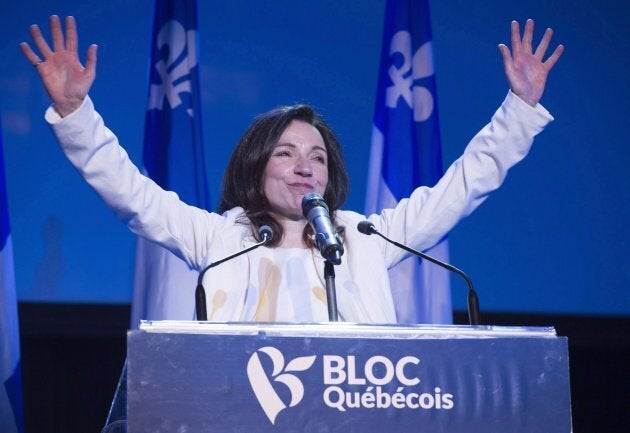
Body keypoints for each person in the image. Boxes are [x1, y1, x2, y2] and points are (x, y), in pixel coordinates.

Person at [20, 16, 563, 323]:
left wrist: (518, 111)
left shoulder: (366, 237)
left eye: (319, 157)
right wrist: (76, 114)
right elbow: (131, 193)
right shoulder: (219, 237)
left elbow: (463, 187)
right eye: (287, 153)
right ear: (256, 167)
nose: (306, 167)